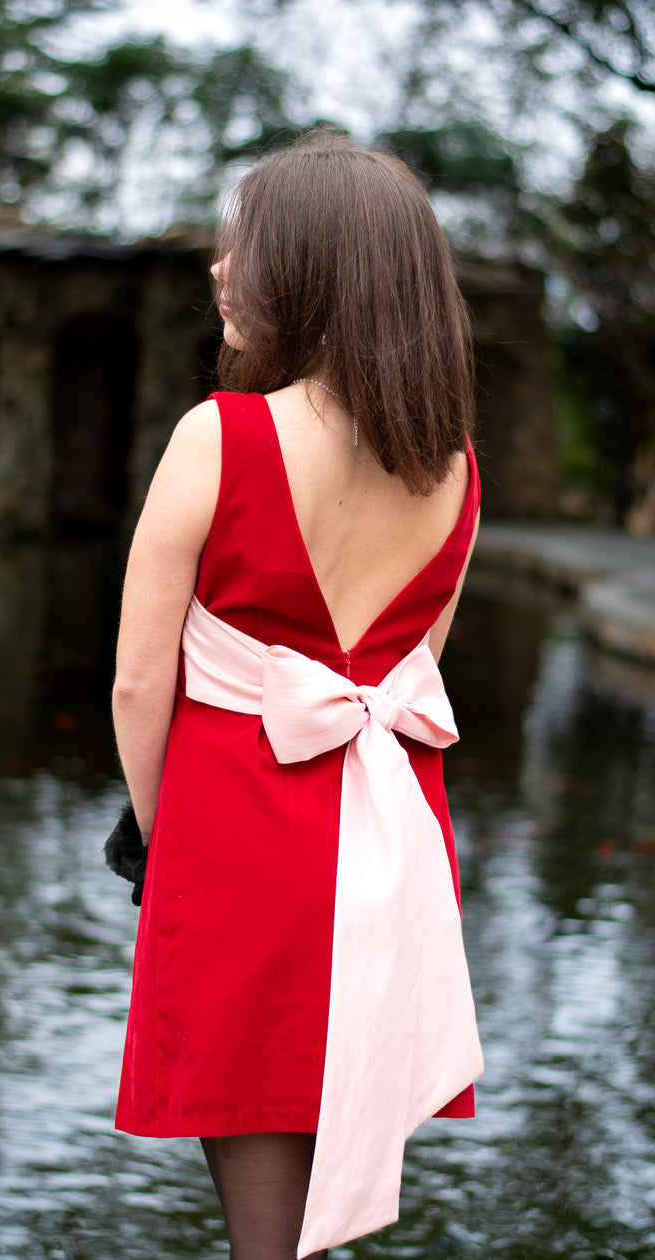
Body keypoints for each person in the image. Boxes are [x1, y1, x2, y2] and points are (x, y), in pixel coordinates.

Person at [111, 133, 483, 1260]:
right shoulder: (457, 466)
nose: (222, 271)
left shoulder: (218, 435)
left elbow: (138, 682)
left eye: (247, 250)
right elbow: (413, 672)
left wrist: (160, 836)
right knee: (332, 1167)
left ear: (316, 273)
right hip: (392, 843)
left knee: (265, 1229)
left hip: (240, 840)